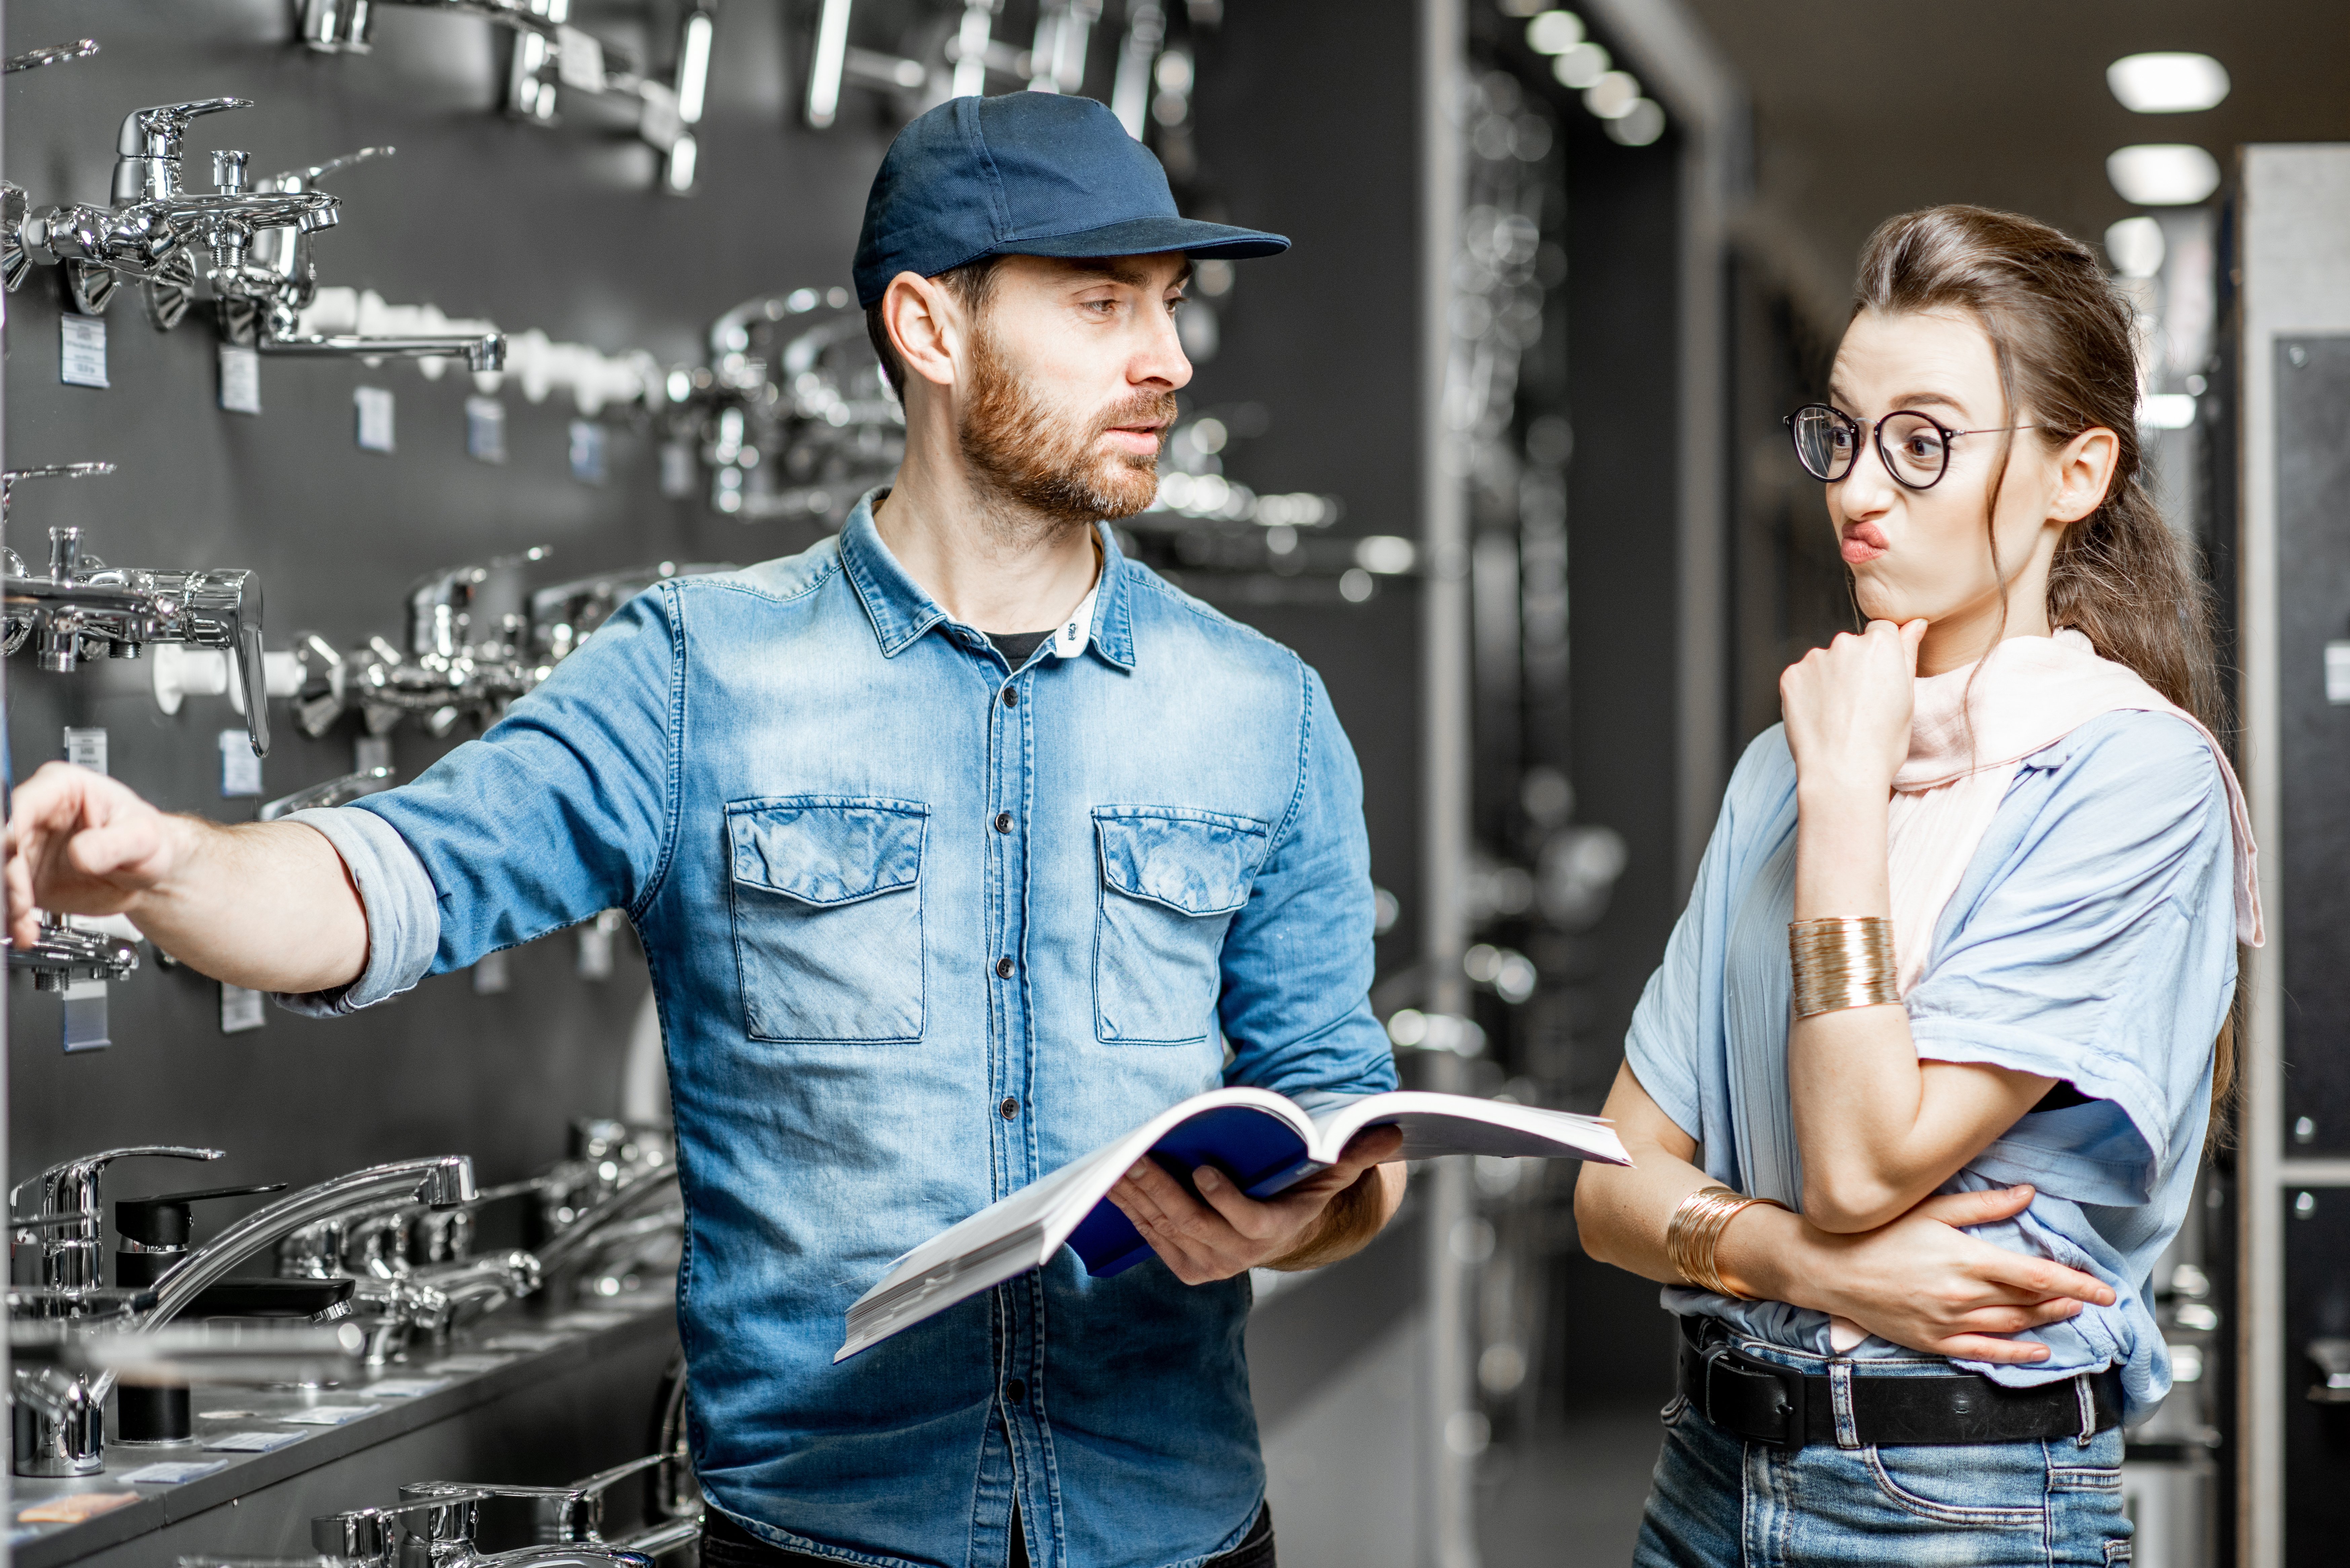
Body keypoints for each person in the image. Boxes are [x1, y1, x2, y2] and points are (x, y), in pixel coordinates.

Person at [5, 93, 1407, 1568]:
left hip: (1178, 1533)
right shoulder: (695, 674)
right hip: (823, 1540)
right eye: (1102, 303)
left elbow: (1340, 1121)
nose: (1167, 361)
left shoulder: (1265, 708)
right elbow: (387, 882)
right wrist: (169, 863)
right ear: (930, 330)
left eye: (1172, 304)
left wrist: (1297, 1219)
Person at [1574, 204, 2259, 1567]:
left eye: (1924, 442)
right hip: (1705, 1472)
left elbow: (1862, 1157)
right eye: (1842, 430)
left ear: (2077, 472)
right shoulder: (1789, 756)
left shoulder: (2131, 779)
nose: (1856, 489)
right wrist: (1799, 1266)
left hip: (1952, 1497)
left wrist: (1845, 804)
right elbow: (1609, 1188)